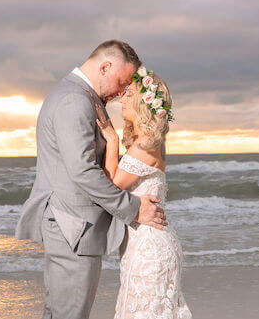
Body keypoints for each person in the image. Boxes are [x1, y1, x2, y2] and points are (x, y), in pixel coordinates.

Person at [15, 40, 168, 319]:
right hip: (73, 225)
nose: (121, 92)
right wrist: (134, 208)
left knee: (61, 311)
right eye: (121, 82)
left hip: (72, 224)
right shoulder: (75, 99)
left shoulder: (78, 95)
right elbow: (83, 171)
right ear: (105, 67)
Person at [96, 68, 192, 319]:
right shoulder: (148, 141)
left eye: (128, 95)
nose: (121, 100)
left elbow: (112, 186)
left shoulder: (146, 144)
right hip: (146, 242)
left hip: (150, 247)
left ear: (143, 102)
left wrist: (112, 143)